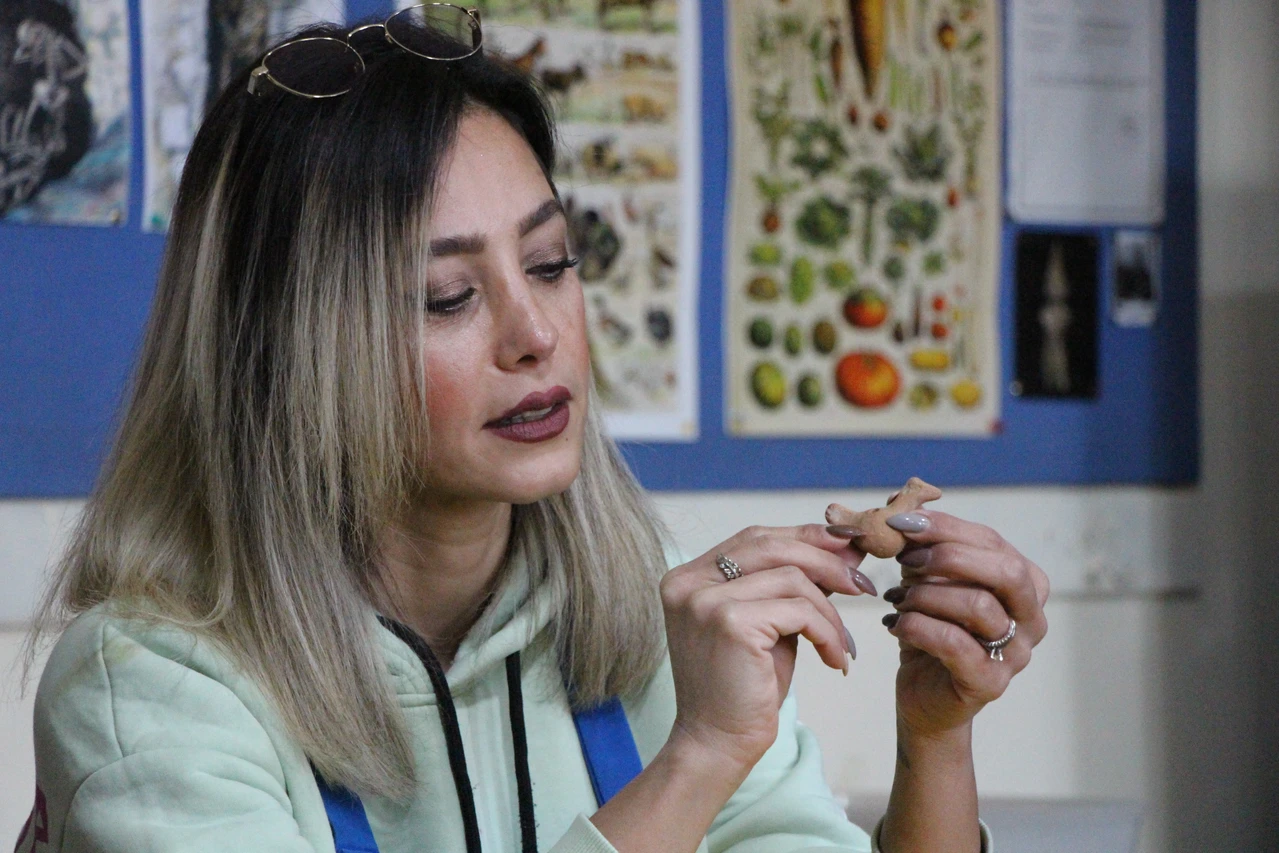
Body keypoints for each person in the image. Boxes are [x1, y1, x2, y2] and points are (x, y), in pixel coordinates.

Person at [17, 8, 1049, 853]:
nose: (535, 333)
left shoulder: (645, 604)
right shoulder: (148, 687)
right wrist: (696, 758)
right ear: (286, 348)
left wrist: (935, 737)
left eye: (552, 264)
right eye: (447, 295)